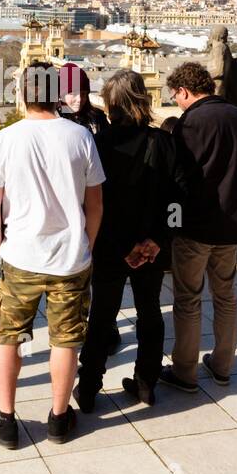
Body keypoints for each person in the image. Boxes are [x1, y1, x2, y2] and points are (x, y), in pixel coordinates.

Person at [0, 62, 104, 449]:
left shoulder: (5, 139)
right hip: (71, 257)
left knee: (7, 337)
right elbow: (96, 204)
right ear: (55, 95)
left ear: (23, 95)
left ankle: (6, 419)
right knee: (65, 340)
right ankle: (58, 418)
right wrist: (86, 242)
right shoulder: (81, 136)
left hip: (20, 255)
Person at [75, 70, 176, 410]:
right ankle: (147, 382)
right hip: (152, 249)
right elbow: (178, 199)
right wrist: (159, 240)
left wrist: (122, 246)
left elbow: (96, 203)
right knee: (150, 313)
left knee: (102, 316)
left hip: (111, 246)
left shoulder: (99, 144)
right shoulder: (163, 142)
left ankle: (88, 388)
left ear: (111, 103)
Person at [161, 61, 237, 393]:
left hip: (197, 225)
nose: (176, 101)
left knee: (188, 299)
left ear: (184, 91)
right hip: (232, 224)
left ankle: (185, 372)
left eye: (175, 95)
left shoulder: (191, 122)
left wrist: (170, 221)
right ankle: (222, 365)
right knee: (226, 296)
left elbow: (179, 178)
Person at [59, 62, 118, 352]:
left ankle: (105, 325)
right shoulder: (54, 119)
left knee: (99, 270)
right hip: (66, 206)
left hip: (95, 201)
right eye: (71, 93)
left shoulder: (96, 118)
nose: (78, 100)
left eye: (82, 92)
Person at [59, 62, 110, 137]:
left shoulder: (98, 117)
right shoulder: (54, 120)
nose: (79, 99)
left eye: (83, 94)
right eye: (73, 94)